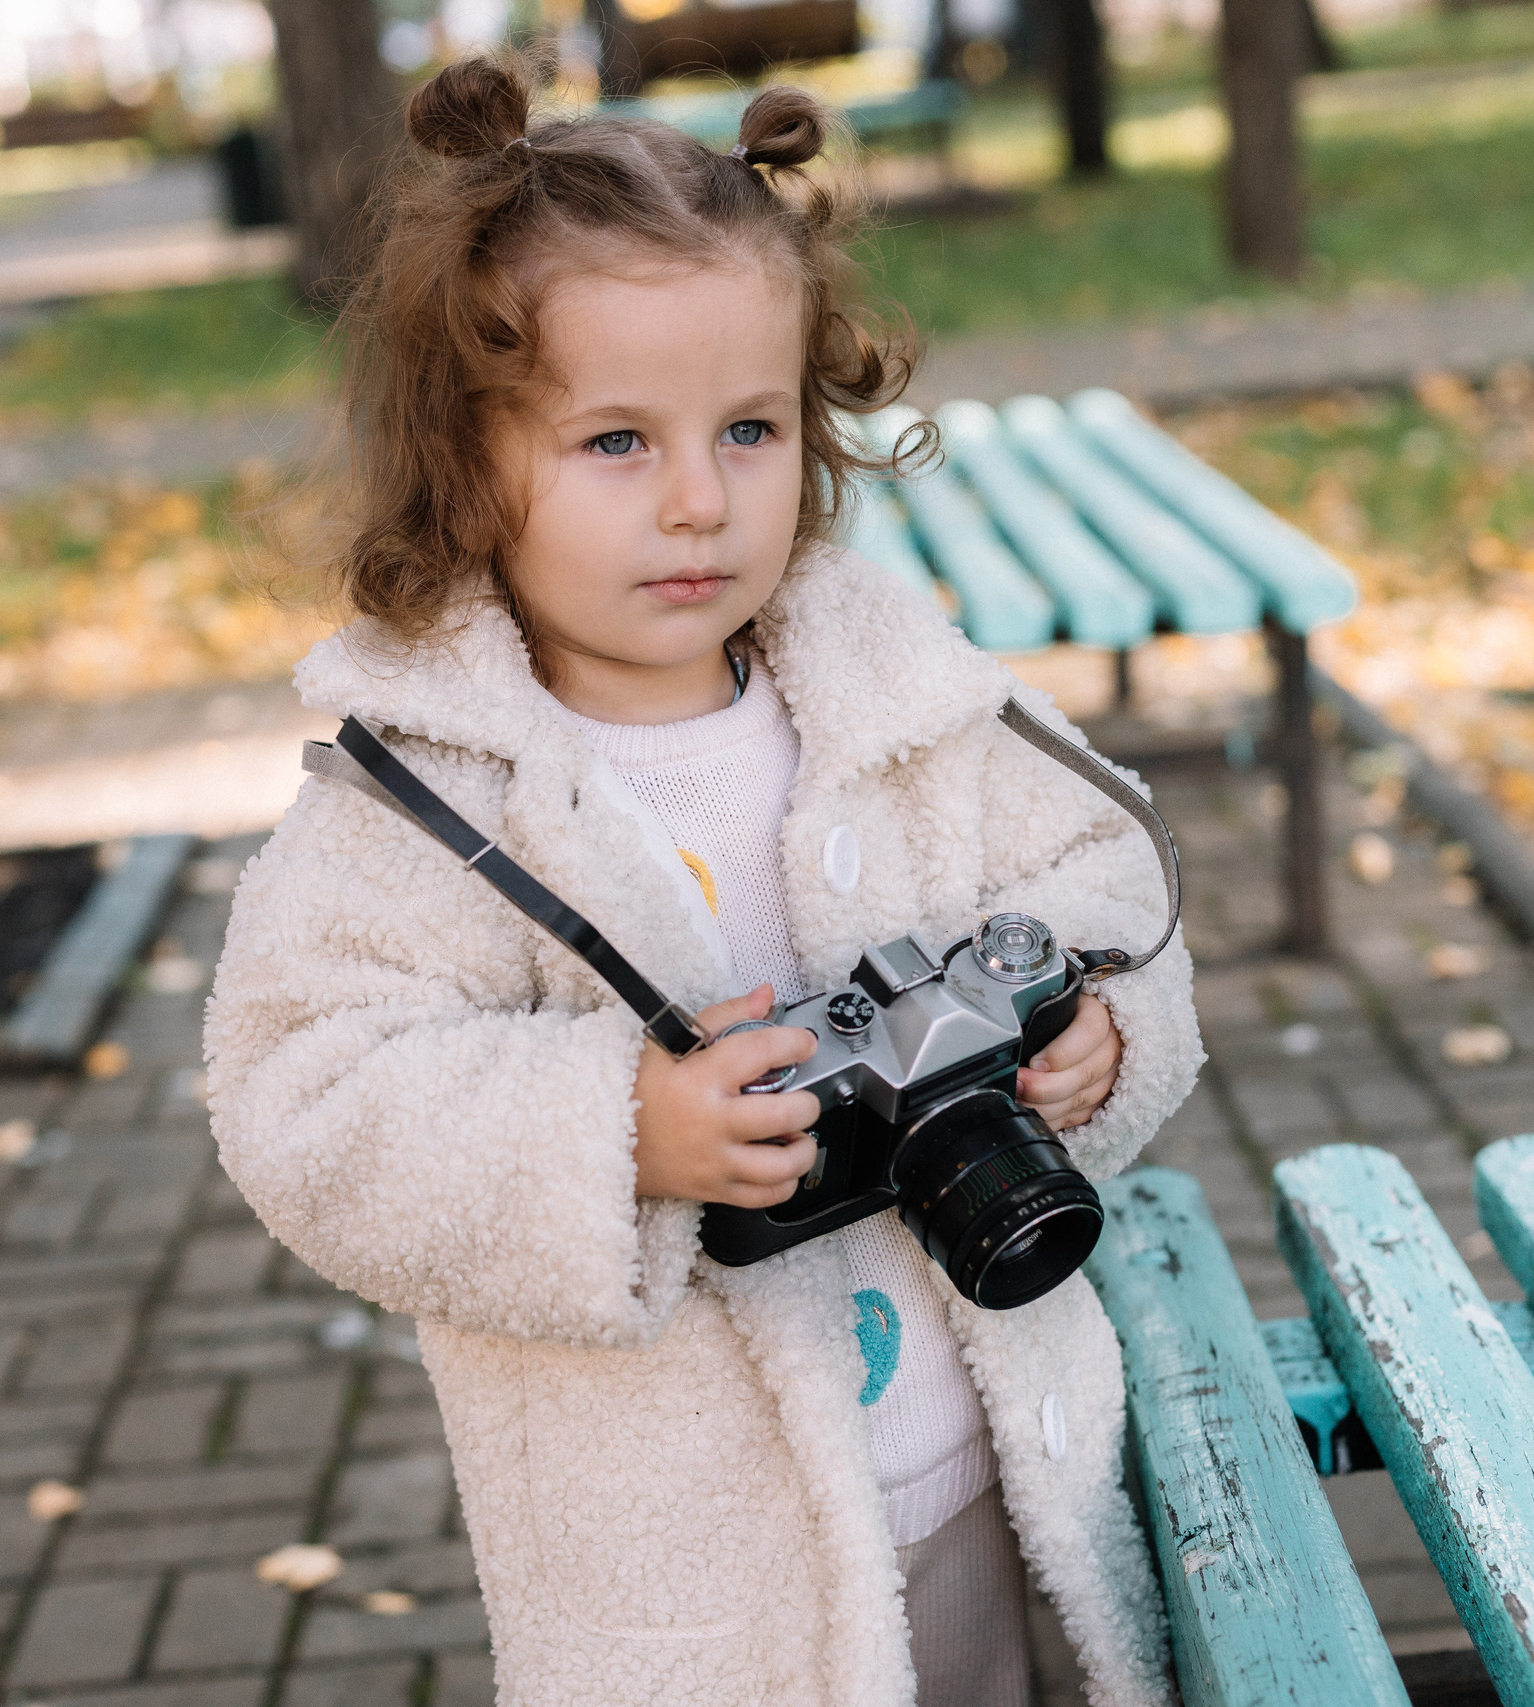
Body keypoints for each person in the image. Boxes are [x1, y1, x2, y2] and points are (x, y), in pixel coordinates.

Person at [204, 52, 1200, 1707]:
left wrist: (1091, 1015)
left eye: (748, 427)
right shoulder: (429, 793)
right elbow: (302, 1097)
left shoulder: (894, 688)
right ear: (467, 463)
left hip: (990, 1470)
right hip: (691, 1587)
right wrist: (617, 1132)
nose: (698, 498)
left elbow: (1102, 866)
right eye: (614, 440)